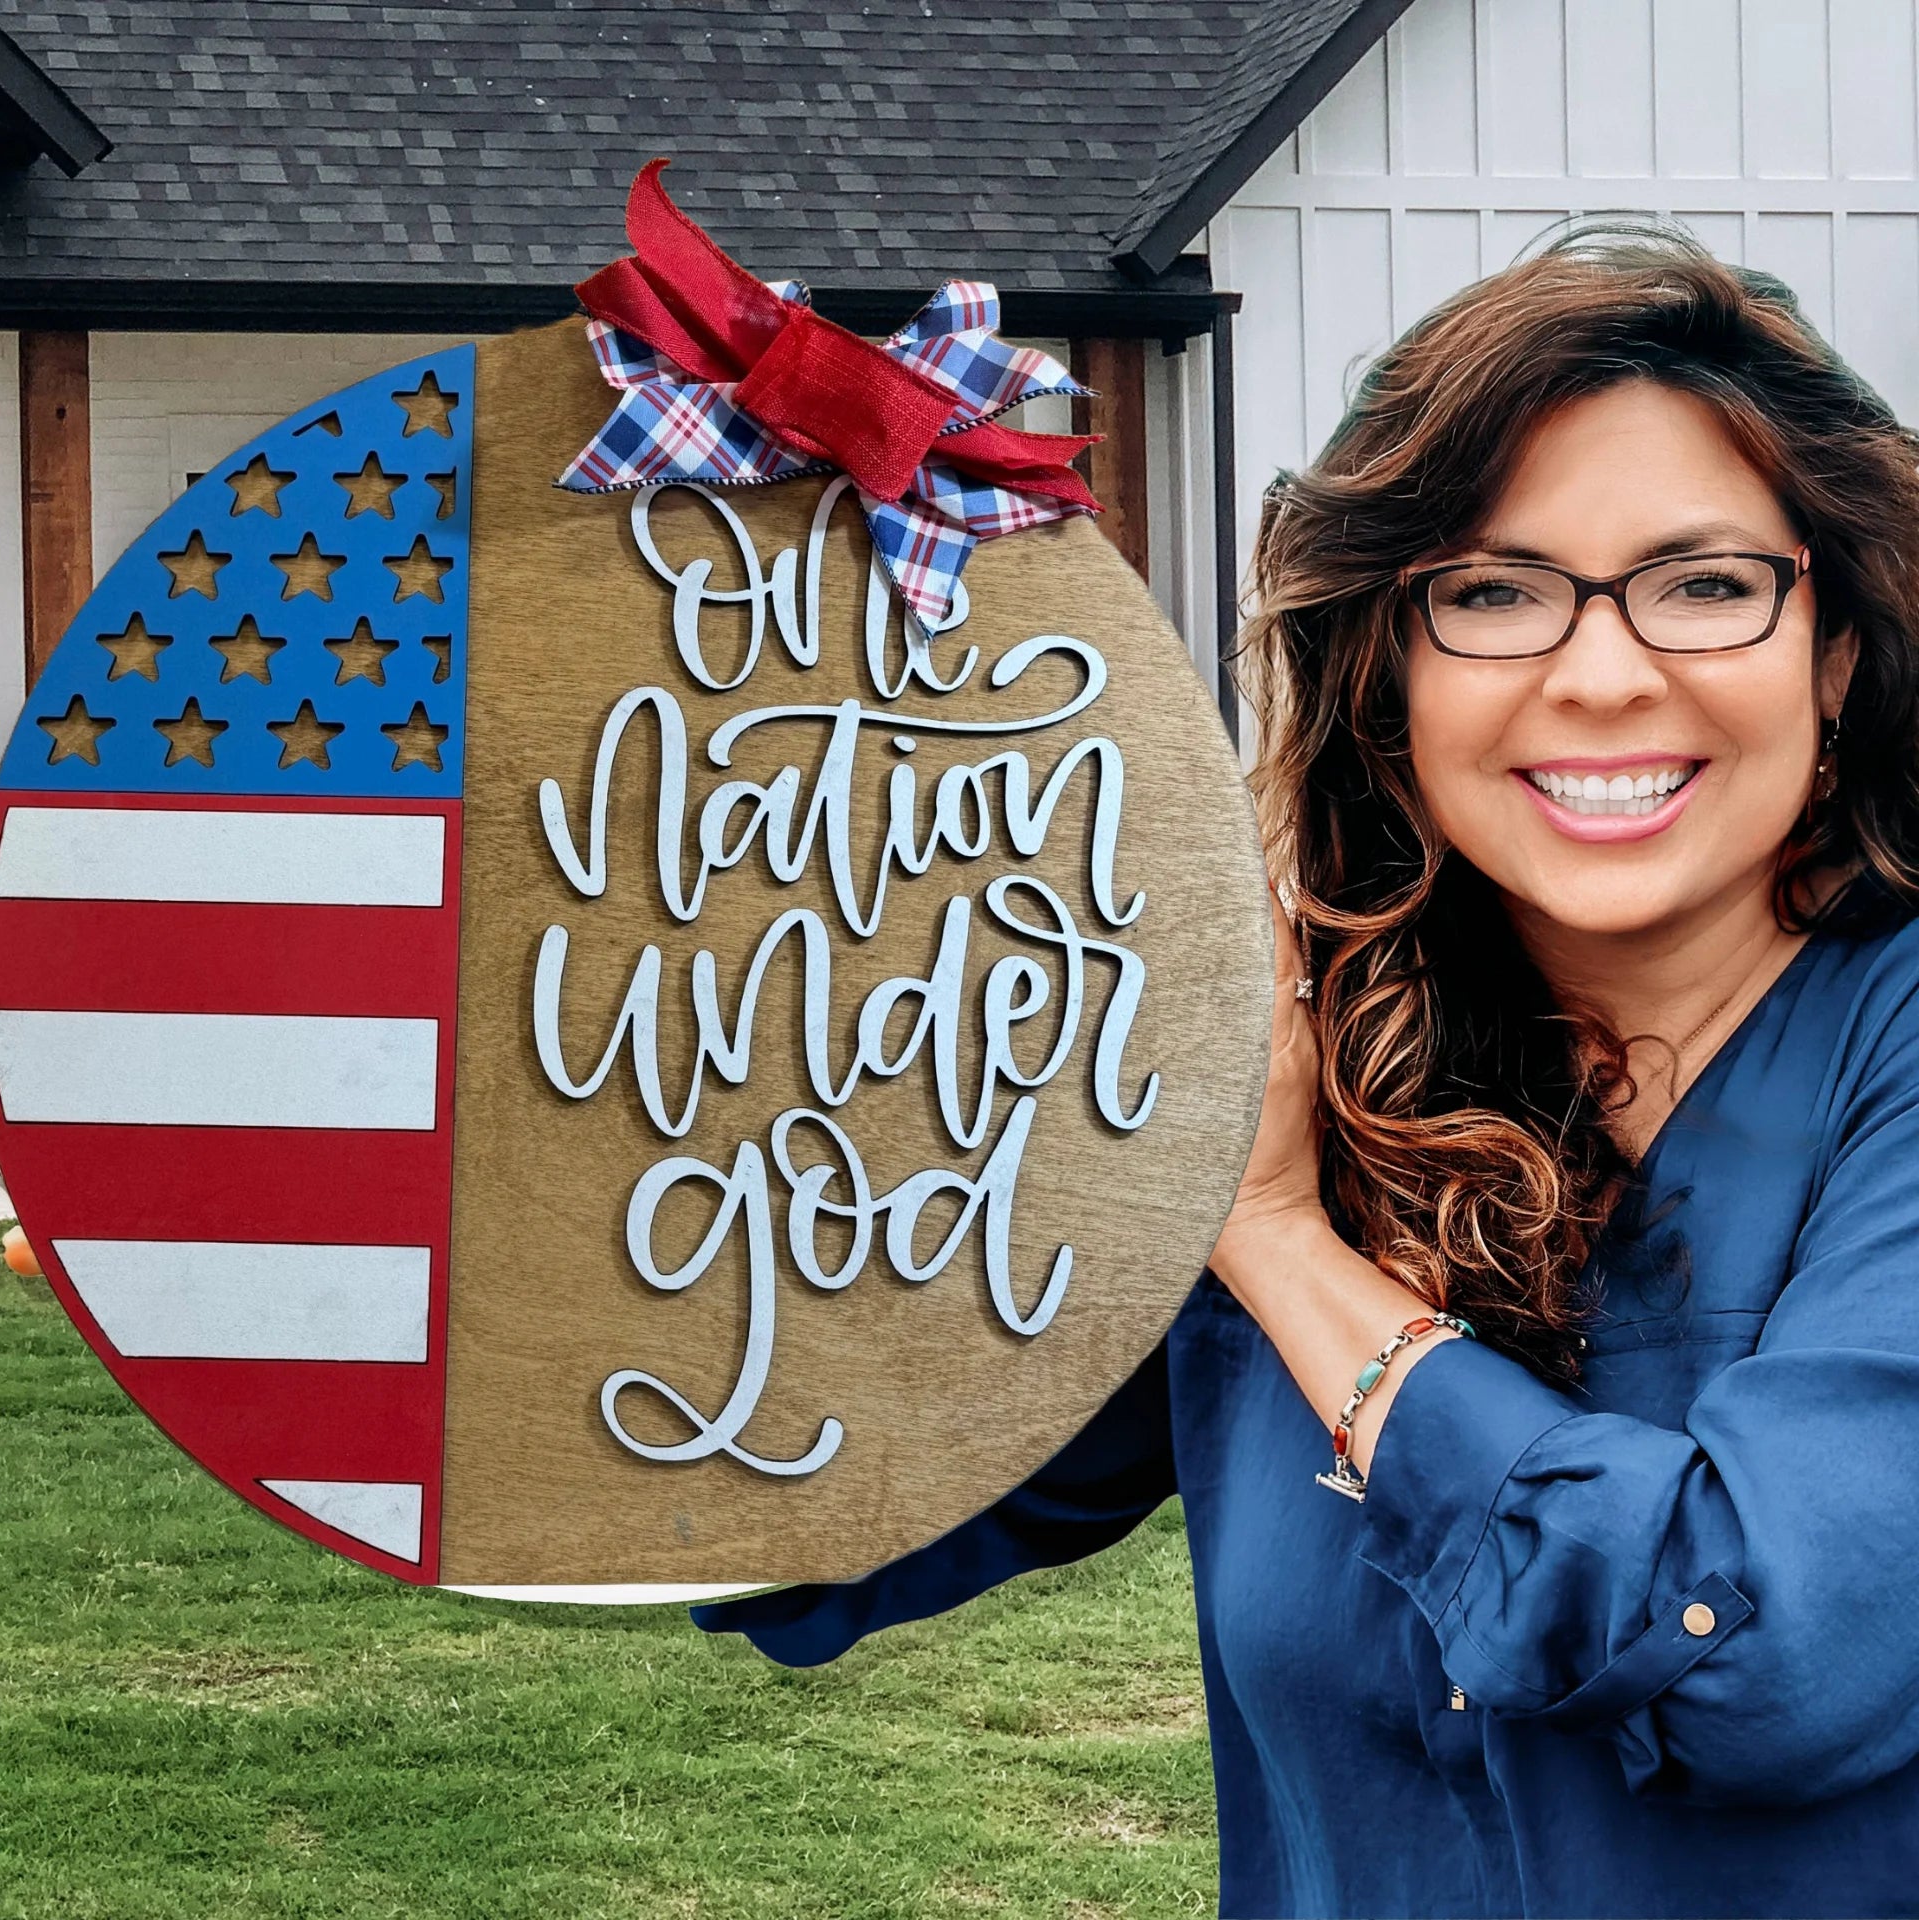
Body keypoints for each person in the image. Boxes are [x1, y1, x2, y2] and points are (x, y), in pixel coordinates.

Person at [696, 228, 1919, 1917]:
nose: (1601, 672)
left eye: (1705, 584)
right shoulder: (1295, 1059)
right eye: (1491, 592)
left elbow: (1763, 1658)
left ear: (1835, 653)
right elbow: (820, 1499)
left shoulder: (1886, 1065)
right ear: (1389, 675)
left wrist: (1277, 1241)